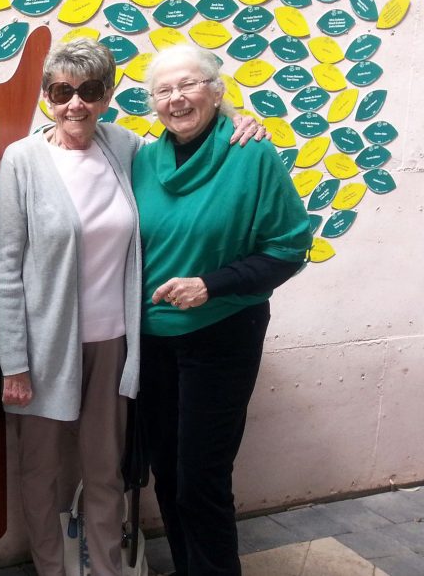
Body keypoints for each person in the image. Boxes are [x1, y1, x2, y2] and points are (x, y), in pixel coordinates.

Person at [0, 39, 271, 576]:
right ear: (47, 95)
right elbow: (5, 267)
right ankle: (51, 567)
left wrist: (244, 122)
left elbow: (191, 140)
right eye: (61, 91)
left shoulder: (126, 148)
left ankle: (108, 567)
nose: (75, 104)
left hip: (115, 342)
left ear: (108, 96)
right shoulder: (23, 160)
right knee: (40, 470)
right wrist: (15, 360)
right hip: (46, 345)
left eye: (90, 91)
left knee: (106, 470)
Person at [133, 44, 312, 576]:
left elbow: (288, 248)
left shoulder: (252, 154)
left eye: (188, 84)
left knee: (201, 479)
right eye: (163, 90)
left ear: (217, 92)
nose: (176, 98)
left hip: (222, 334)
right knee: (165, 472)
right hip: (151, 337)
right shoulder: (141, 159)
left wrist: (211, 285)